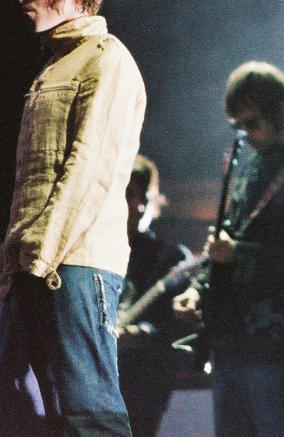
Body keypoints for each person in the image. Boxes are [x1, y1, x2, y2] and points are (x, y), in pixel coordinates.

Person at [0, 0, 146, 436]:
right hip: (35, 264)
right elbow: (31, 183)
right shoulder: (55, 66)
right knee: (6, 415)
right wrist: (11, 268)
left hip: (71, 265)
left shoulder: (107, 59)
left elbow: (89, 171)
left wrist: (36, 260)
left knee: (89, 415)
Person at [173, 61, 284, 437]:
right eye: (238, 126)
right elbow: (227, 238)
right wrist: (198, 288)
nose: (245, 135)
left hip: (277, 338)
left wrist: (240, 254)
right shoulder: (252, 168)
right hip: (229, 335)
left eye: (252, 124)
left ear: (279, 113)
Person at [118, 154, 197, 437]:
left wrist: (141, 333)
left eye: (142, 196)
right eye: (126, 194)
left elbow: (183, 327)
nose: (136, 206)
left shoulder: (170, 258)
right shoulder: (94, 257)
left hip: (143, 387)